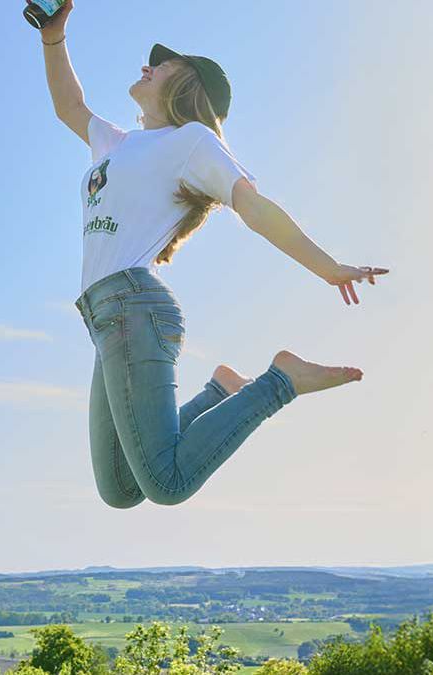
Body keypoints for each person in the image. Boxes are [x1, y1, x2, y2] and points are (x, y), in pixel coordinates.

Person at [37, 1, 390, 508]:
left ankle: (280, 381)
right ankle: (221, 392)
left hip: (134, 308)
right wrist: (53, 36)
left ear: (187, 83)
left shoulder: (193, 142)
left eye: (162, 63)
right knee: (120, 487)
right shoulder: (118, 144)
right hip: (103, 315)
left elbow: (253, 206)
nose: (147, 64)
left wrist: (328, 268)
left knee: (168, 482)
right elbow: (68, 107)